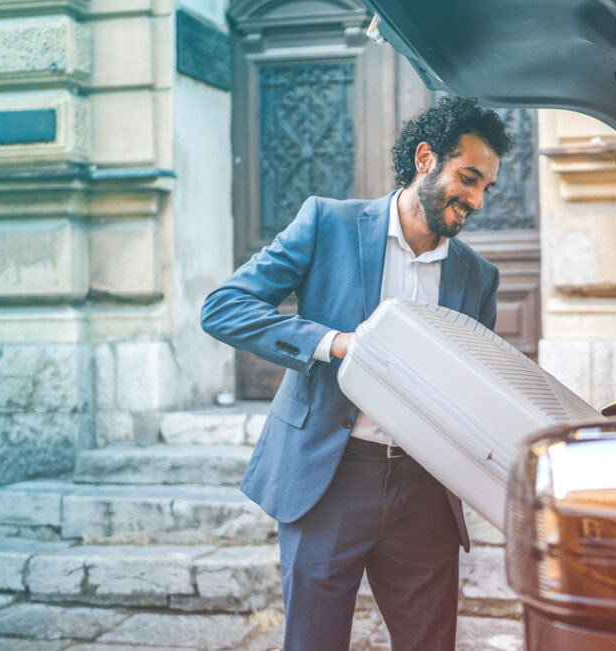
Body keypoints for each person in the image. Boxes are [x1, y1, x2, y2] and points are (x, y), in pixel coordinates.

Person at [200, 96, 512, 651]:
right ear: (425, 159)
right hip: (330, 479)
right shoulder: (328, 223)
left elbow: (477, 387)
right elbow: (224, 307)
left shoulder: (477, 276)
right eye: (469, 179)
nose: (477, 200)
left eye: (487, 187)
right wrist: (333, 343)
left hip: (424, 490)